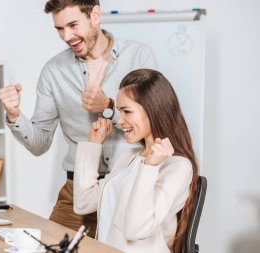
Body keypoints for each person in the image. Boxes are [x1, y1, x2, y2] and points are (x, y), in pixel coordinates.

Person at [0, 0, 157, 237]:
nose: (66, 36)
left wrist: (108, 107)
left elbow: (154, 120)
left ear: (95, 15)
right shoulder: (54, 71)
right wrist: (14, 115)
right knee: (50, 245)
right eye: (60, 29)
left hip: (128, 184)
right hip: (77, 189)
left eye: (73, 25)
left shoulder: (138, 55)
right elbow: (40, 143)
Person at [73, 69, 199, 253]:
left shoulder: (178, 166)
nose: (120, 120)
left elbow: (136, 229)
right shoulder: (129, 157)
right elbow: (83, 203)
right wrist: (93, 145)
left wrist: (150, 166)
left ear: (153, 110)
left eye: (127, 111)